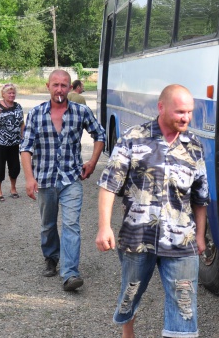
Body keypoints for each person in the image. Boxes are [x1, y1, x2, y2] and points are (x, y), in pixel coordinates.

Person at [96, 84, 209, 338]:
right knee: (131, 292)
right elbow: (109, 185)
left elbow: (201, 197)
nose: (186, 118)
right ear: (161, 107)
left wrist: (200, 235)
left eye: (189, 112)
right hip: (138, 237)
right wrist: (104, 227)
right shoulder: (133, 138)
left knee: (184, 306)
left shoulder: (195, 146)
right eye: (180, 111)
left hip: (182, 241)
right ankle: (128, 332)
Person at [20, 69, 105, 292]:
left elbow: (100, 135)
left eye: (64, 85)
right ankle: (51, 257)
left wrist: (92, 162)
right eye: (55, 85)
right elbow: (26, 148)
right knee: (48, 225)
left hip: (71, 179)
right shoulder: (37, 113)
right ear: (48, 86)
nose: (59, 89)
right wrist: (29, 178)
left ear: (70, 88)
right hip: (45, 180)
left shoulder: (80, 111)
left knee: (71, 225)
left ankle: (70, 273)